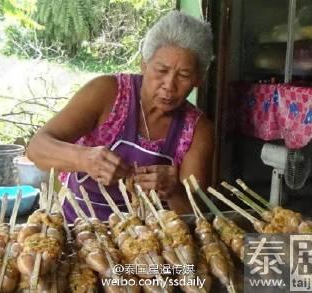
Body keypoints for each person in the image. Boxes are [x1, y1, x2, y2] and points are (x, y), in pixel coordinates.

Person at [27, 11, 214, 222]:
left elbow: (197, 217)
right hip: (80, 227)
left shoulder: (198, 130)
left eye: (184, 75)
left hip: (152, 241)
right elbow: (36, 149)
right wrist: (85, 158)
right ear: (144, 64)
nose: (169, 85)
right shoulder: (107, 93)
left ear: (198, 79)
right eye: (161, 70)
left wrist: (175, 192)